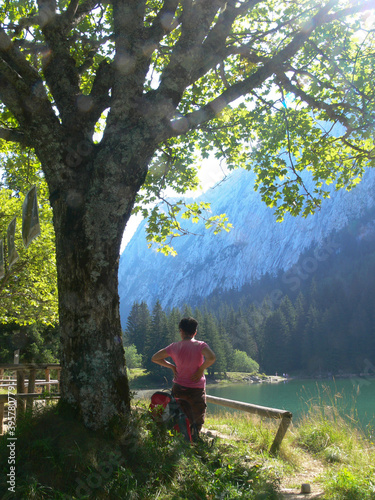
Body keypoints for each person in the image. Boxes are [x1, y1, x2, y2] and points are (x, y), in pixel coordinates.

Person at [151, 317, 216, 433]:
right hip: (196, 389)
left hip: (179, 388)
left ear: (181, 331)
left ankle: (179, 441)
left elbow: (155, 358)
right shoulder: (200, 345)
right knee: (196, 418)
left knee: (178, 416)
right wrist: (201, 369)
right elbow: (211, 357)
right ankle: (194, 440)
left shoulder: (174, 346)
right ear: (195, 332)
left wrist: (172, 366)